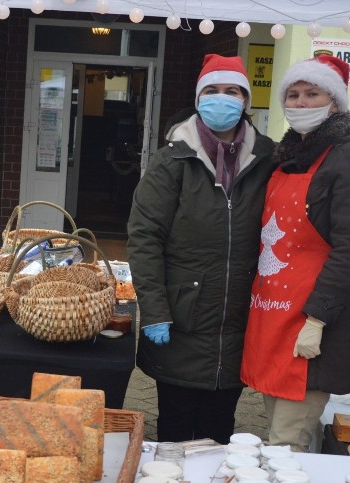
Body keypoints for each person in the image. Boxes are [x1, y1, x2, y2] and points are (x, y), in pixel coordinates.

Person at [127, 54, 277, 444]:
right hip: (181, 320)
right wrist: (155, 311)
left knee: (219, 431)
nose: (221, 99)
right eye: (212, 90)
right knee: (176, 430)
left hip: (240, 318)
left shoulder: (268, 160)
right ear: (198, 98)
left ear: (245, 100)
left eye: (231, 91)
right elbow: (145, 238)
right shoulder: (172, 160)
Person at [241, 55, 350, 452]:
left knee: (287, 443)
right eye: (294, 94)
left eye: (312, 93)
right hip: (273, 313)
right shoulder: (289, 156)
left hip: (310, 319)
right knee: (284, 430)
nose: (300, 103)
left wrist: (317, 319)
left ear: (334, 102)